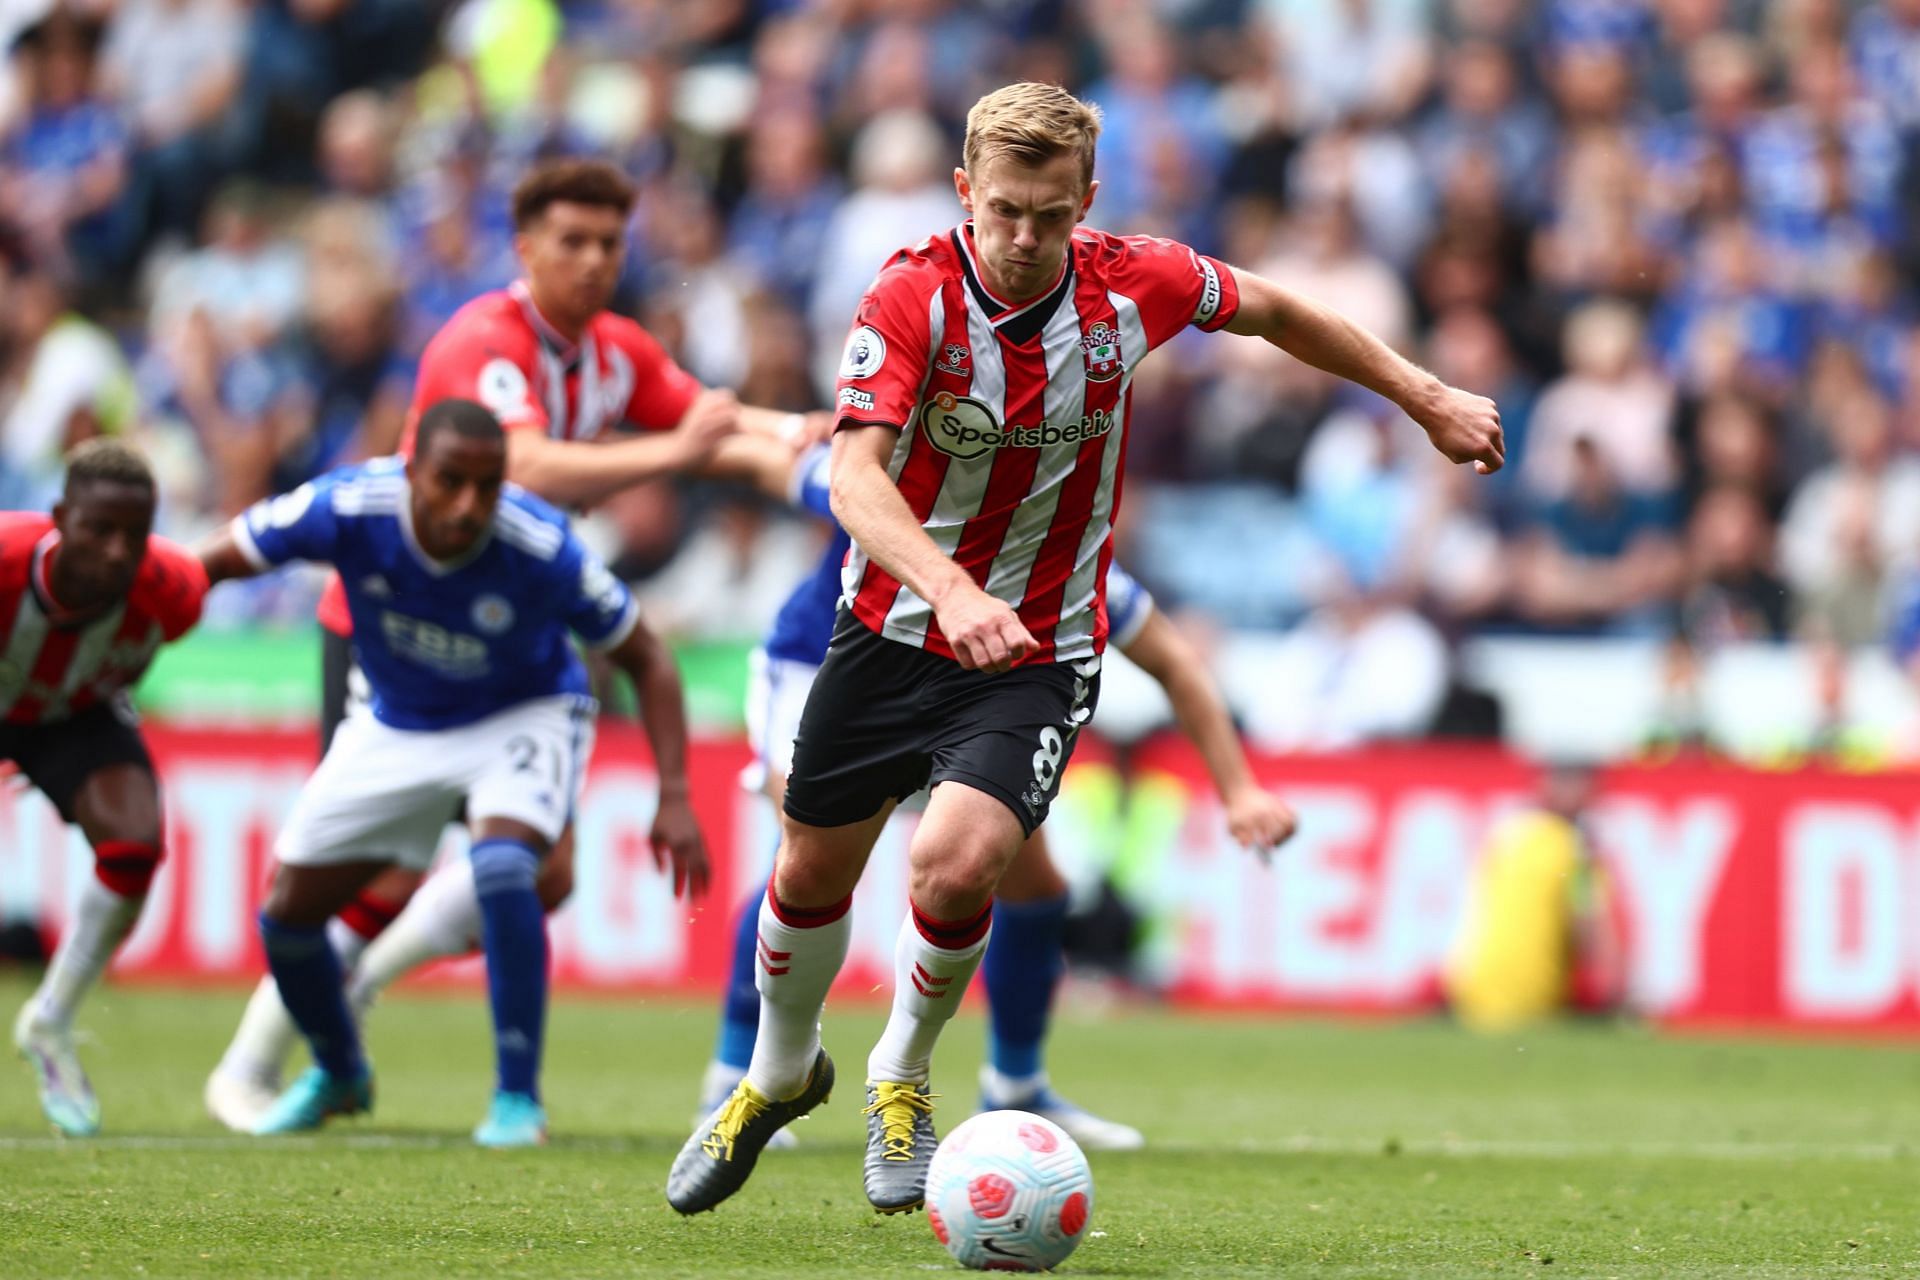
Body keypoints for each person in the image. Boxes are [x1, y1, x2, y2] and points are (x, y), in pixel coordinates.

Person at [666, 81, 1503, 1217]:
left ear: (1086, 202)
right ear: (966, 191)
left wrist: (1424, 393)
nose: (1023, 239)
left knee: (958, 863)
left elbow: (1273, 309)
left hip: (1040, 647)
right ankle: (774, 1074)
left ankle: (901, 1074)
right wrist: (951, 586)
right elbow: (855, 477)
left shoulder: (1132, 280)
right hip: (891, 628)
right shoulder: (908, 293)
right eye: (1004, 209)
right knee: (810, 874)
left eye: (1050, 216)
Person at [203, 156, 820, 1130]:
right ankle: (254, 1057)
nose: (592, 260)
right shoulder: (480, 342)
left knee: (544, 872)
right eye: (570, 241)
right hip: (391, 634)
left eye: (609, 243)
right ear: (524, 247)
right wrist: (681, 451)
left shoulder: (614, 348)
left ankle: (361, 1001)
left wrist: (812, 446)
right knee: (380, 873)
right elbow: (529, 462)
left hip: (517, 640)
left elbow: (716, 424)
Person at [693, 443, 1297, 1151]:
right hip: (822, 672)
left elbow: (1176, 662)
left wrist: (1239, 790)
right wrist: (727, 433)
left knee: (1033, 887)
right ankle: (736, 1075)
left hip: (961, 707)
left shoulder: (1067, 566)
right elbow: (784, 463)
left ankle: (1016, 1087)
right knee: (804, 866)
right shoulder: (901, 479)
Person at [196, 399, 710, 1146]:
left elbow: (648, 656)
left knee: (506, 866)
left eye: (487, 485)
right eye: (449, 482)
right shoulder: (347, 505)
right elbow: (212, 562)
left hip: (523, 712)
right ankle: (341, 1069)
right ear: (412, 473)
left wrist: (674, 794)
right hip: (398, 716)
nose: (469, 504)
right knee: (286, 916)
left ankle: (516, 1102)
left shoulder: (539, 544)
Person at [7, 439, 209, 1136]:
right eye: (100, 529)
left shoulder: (173, 593)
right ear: (60, 516)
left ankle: (51, 1021)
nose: (120, 551)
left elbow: (134, 655)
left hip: (71, 714)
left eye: (136, 533)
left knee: (135, 843)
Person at [1443, 764, 1624, 1032]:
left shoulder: (1510, 833)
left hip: (1470, 991)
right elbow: (1591, 928)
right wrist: (1617, 1002)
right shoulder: (1575, 849)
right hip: (1532, 998)